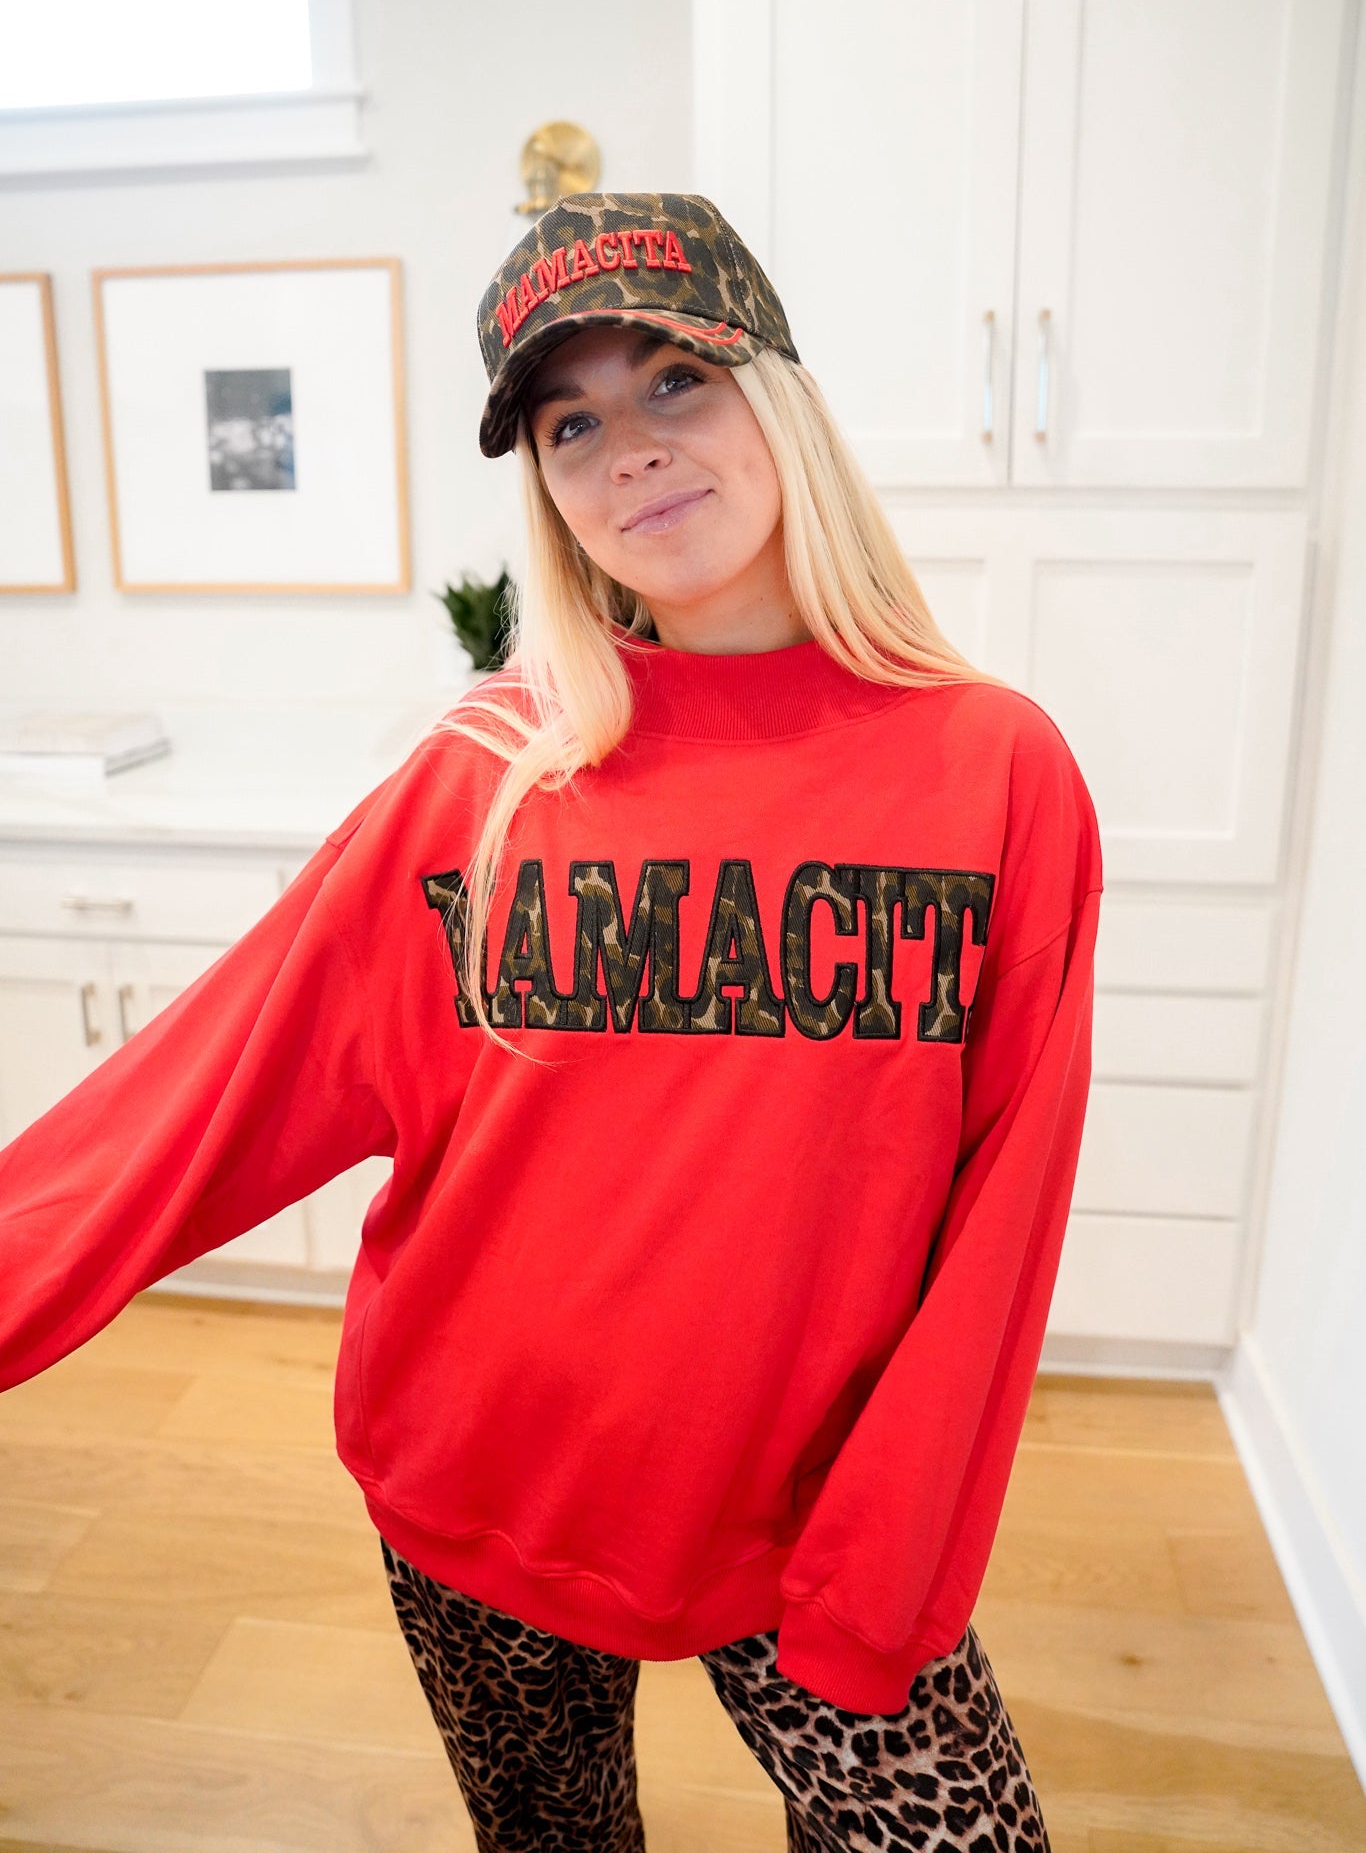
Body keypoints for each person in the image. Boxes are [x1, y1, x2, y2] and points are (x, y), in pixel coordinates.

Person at [0, 192, 1102, 1853]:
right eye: (569, 422)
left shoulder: (991, 769)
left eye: (675, 380)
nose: (628, 448)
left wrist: (888, 1562)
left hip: (806, 1513)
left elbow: (1003, 1203)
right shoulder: (491, 774)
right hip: (480, 1483)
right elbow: (211, 1089)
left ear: (777, 396)